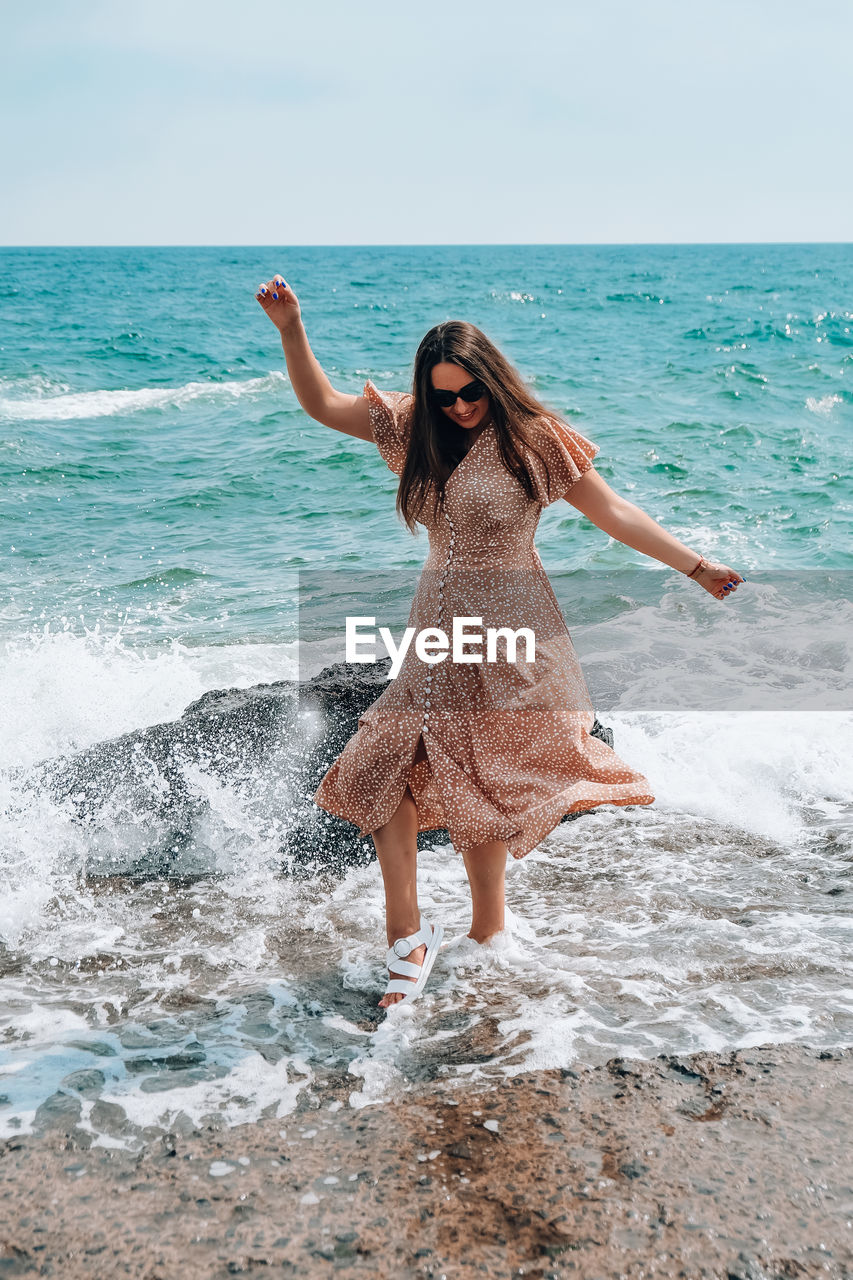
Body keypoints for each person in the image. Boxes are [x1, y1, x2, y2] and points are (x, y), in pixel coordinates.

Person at [256, 273, 744, 1012]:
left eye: (469, 393)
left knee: (476, 776)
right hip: (433, 630)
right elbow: (322, 405)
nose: (457, 407)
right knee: (382, 764)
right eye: (445, 394)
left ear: (491, 380)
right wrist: (292, 328)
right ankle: (407, 937)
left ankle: (488, 931)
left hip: (509, 628)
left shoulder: (533, 440)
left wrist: (695, 565)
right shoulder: (411, 425)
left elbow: (611, 511)